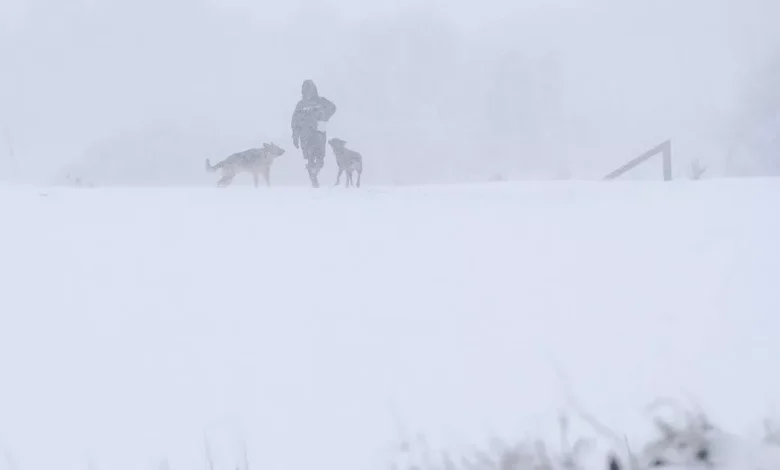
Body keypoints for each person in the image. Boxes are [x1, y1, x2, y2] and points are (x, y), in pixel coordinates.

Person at [290, 80, 337, 188]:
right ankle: (313, 176)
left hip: (319, 131)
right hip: (305, 134)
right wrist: (295, 136)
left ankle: (314, 172)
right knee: (310, 156)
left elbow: (333, 108)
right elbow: (295, 121)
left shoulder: (321, 101)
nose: (308, 91)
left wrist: (324, 117)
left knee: (320, 157)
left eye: (309, 89)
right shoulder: (300, 104)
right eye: (306, 89)